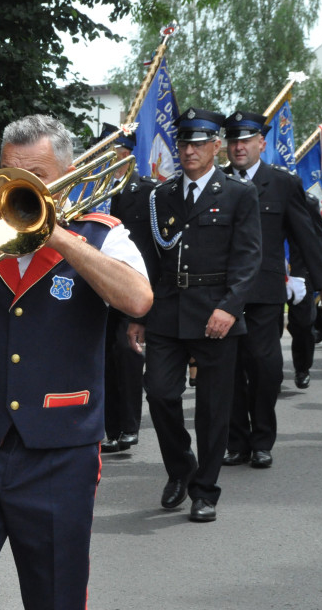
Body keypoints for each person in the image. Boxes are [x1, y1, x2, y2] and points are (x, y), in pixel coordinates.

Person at [0, 114, 152, 609]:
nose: (21, 188)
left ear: (66, 176)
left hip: (60, 451)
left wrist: (60, 236)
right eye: (11, 175)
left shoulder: (100, 234)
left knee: (55, 594)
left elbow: (138, 299)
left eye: (37, 178)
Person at [127, 107, 261, 523]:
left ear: (216, 146)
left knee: (213, 407)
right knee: (161, 393)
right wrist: (137, 312)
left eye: (199, 143)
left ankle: (205, 490)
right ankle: (181, 468)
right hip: (166, 309)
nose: (189, 151)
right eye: (184, 143)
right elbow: (148, 258)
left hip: (215, 310)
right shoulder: (161, 195)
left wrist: (229, 307)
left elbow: (249, 257)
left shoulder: (238, 194)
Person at [219, 111, 322, 469]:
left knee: (265, 366)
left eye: (246, 140)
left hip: (264, 291)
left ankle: (262, 439)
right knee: (228, 368)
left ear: (262, 143)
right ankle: (237, 442)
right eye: (233, 141)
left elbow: (308, 235)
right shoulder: (218, 182)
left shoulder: (282, 183)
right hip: (222, 292)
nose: (239, 147)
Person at [98, 124, 158, 453]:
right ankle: (111, 430)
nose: (111, 163)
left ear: (128, 158)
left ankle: (130, 426)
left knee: (127, 355)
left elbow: (152, 248)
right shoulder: (92, 192)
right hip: (98, 290)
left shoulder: (146, 192)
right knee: (105, 359)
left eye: (115, 155)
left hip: (131, 287)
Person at [285, 192, 322, 389]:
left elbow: (319, 242)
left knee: (303, 324)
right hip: (270, 271)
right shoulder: (251, 194)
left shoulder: (306, 201)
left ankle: (302, 367)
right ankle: (266, 372)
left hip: (300, 272)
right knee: (265, 326)